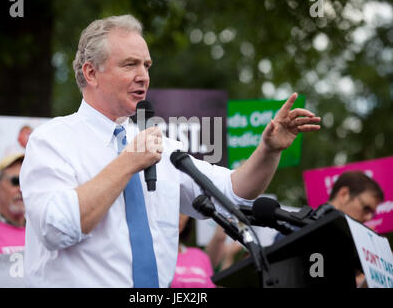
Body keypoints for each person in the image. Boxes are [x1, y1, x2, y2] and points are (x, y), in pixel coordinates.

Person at [20, 14, 321, 287]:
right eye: (129, 64)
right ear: (91, 73)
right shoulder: (52, 140)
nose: (143, 76)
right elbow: (56, 227)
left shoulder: (162, 147)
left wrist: (268, 150)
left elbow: (233, 193)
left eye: (146, 65)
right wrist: (127, 164)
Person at [170, 214, 216, 288]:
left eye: (182, 211)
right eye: (175, 209)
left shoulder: (200, 256)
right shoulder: (150, 256)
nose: (179, 216)